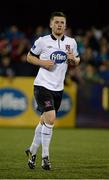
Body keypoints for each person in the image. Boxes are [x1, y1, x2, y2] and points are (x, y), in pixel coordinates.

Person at [25, 11, 80, 170]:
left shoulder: (71, 42)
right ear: (51, 24)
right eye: (56, 22)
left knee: (44, 120)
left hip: (58, 88)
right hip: (42, 85)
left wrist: (73, 60)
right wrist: (42, 62)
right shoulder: (42, 41)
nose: (59, 25)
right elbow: (29, 57)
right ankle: (45, 157)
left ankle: (32, 151)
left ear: (65, 25)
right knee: (51, 118)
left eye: (62, 22)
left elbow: (77, 60)